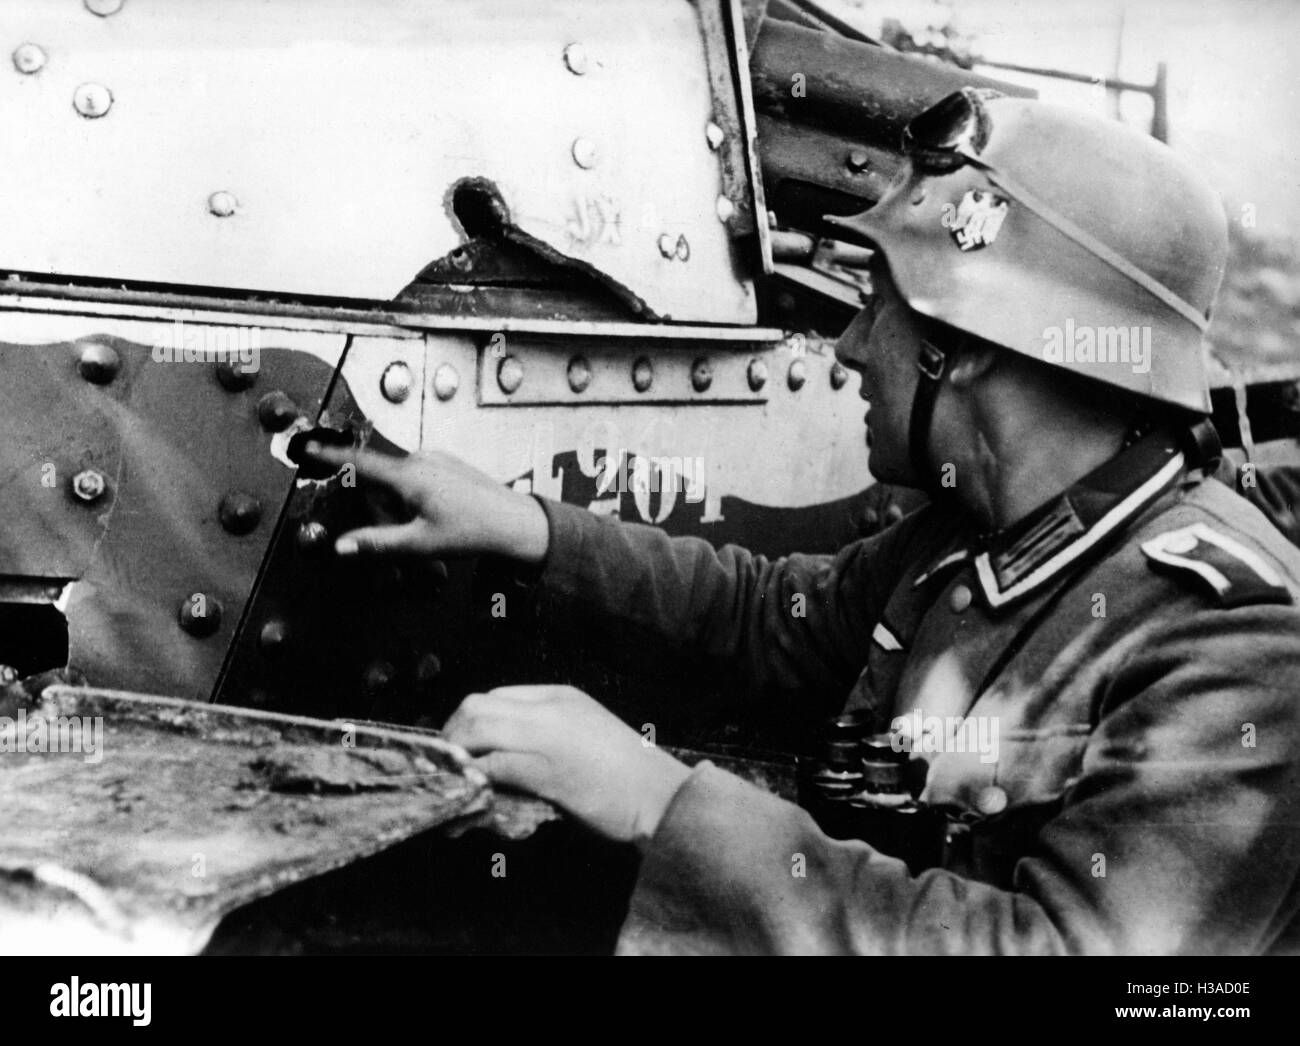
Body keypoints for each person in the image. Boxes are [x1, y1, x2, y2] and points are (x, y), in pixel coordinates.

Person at [305, 89, 1300, 955]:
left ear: (979, 343)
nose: (849, 350)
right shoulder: (970, 536)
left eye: (878, 306)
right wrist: (525, 523)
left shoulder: (1233, 642)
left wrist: (661, 801)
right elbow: (769, 614)